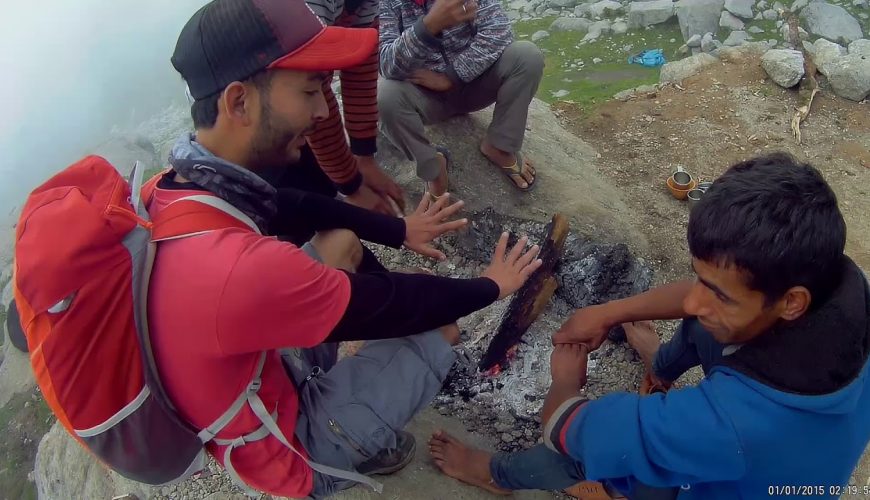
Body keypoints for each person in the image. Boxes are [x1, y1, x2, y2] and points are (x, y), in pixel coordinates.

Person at [155, 0, 544, 498]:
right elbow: (391, 306)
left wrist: (400, 232)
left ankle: (339, 397)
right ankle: (345, 455)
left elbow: (295, 206)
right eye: (310, 91)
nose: (322, 111)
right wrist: (491, 286)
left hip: (256, 369)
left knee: (340, 242)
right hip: (290, 447)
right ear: (239, 102)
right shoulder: (241, 271)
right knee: (440, 329)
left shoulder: (185, 185)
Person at [428, 153, 870, 499]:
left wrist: (565, 382)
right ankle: (658, 370)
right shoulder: (836, 290)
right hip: (793, 464)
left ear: (791, 302)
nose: (694, 301)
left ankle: (495, 475)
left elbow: (569, 429)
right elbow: (706, 297)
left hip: (731, 484)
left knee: (595, 457)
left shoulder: (729, 425)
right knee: (704, 325)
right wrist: (608, 312)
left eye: (719, 293)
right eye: (702, 279)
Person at [377, 0, 544, 199]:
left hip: (475, 83)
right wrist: (427, 27)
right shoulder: (384, 4)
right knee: (384, 97)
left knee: (527, 55)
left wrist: (452, 76)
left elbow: (499, 32)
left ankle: (500, 145)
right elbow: (386, 64)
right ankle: (433, 168)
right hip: (425, 95)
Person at [303, 0, 405, 216]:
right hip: (249, 120)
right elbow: (310, 92)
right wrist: (351, 185)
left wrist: (363, 158)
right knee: (296, 201)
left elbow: (361, 63)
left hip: (293, 99)